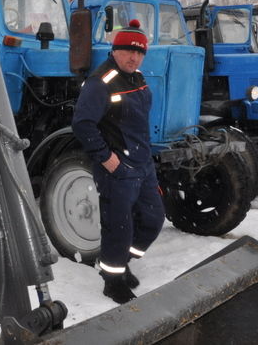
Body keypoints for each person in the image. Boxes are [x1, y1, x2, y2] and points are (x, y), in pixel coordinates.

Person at [72, 19, 165, 303]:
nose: (133, 57)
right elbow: (82, 124)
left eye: (139, 52)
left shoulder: (137, 78)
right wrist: (107, 159)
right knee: (118, 226)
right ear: (115, 50)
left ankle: (120, 262)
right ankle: (112, 280)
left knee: (153, 219)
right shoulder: (102, 82)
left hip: (142, 164)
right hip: (118, 169)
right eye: (127, 51)